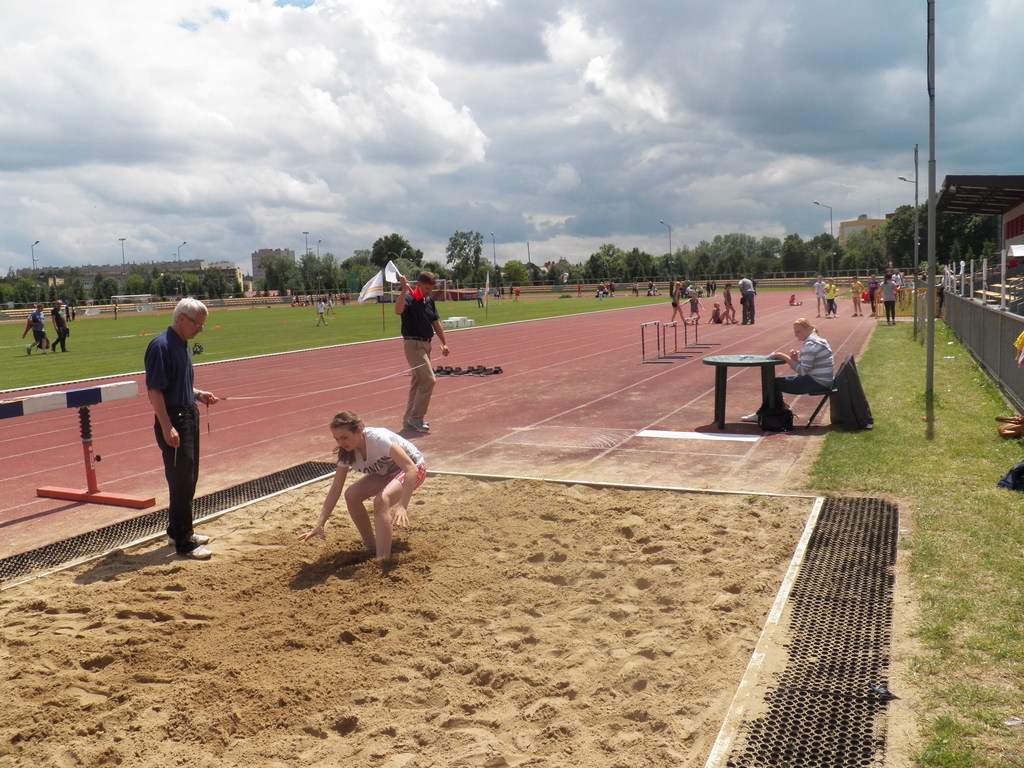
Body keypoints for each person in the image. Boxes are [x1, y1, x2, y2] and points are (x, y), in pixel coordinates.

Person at [144, 298, 219, 559]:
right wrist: (167, 427)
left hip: (189, 414)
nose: (200, 329)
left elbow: (179, 381)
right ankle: (185, 543)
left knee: (189, 478)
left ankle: (177, 531)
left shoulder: (183, 344)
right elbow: (155, 390)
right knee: (181, 481)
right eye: (198, 324)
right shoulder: (161, 346)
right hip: (174, 418)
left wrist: (197, 394)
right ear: (182, 319)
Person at [298, 411, 427, 559]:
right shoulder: (346, 453)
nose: (341, 443)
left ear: (359, 430)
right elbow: (335, 489)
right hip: (385, 473)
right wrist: (320, 524)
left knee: (381, 500)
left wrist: (402, 506)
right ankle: (371, 546)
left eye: (344, 437)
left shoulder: (378, 439)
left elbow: (411, 469)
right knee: (351, 495)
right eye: (337, 439)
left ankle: (383, 558)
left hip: (414, 469)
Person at [741, 318, 834, 422]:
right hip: (822, 380)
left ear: (808, 329)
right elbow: (808, 367)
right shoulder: (816, 340)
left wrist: (784, 357)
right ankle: (777, 408)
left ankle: (763, 414)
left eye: (798, 331)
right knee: (775, 382)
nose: (796, 335)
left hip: (818, 382)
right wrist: (796, 360)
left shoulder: (810, 344)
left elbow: (803, 371)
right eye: (795, 332)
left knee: (774, 383)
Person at [395, 271, 450, 433]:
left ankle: (408, 420)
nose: (428, 292)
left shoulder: (429, 300)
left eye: (431, 289)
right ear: (417, 285)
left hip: (426, 345)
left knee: (418, 382)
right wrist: (403, 290)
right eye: (426, 288)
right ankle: (416, 418)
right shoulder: (409, 299)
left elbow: (436, 323)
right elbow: (398, 310)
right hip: (413, 344)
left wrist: (445, 343)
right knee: (429, 380)